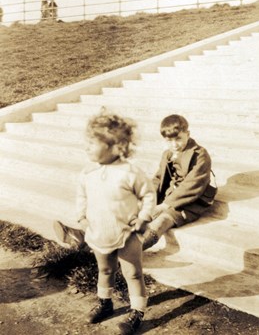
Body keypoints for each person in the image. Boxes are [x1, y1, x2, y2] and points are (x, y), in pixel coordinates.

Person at [54, 110, 156, 334]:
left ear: (115, 145)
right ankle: (105, 303)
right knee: (105, 269)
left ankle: (137, 312)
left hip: (127, 233)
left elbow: (148, 195)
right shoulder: (88, 173)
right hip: (99, 232)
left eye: (92, 142)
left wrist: (144, 217)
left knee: (133, 273)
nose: (86, 147)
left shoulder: (130, 173)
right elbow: (82, 195)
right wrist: (81, 216)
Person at [142, 114, 217, 251]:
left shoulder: (200, 155)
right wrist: (150, 198)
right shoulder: (168, 154)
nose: (174, 145)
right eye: (169, 141)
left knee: (161, 222)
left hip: (191, 201)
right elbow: (159, 178)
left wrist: (164, 205)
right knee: (139, 212)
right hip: (170, 196)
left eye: (178, 139)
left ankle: (130, 253)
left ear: (187, 134)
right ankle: (112, 244)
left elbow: (192, 185)